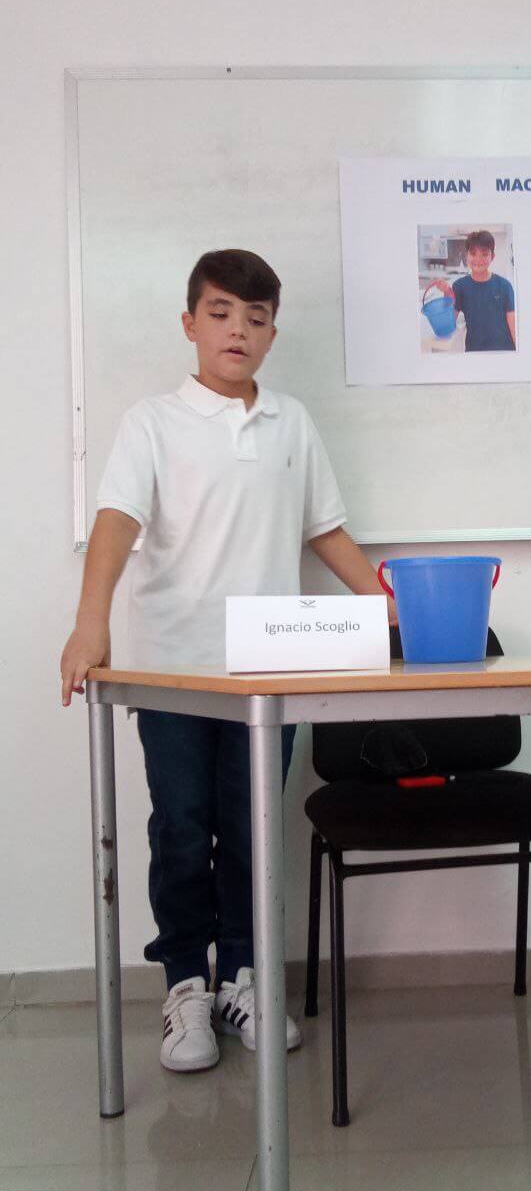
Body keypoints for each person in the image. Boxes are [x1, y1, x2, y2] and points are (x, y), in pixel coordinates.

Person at [60, 249, 395, 1073]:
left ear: (272, 334)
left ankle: (245, 977)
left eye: (255, 318)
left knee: (251, 830)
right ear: (190, 324)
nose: (237, 330)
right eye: (220, 314)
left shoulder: (291, 422)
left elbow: (324, 528)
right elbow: (116, 520)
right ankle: (185, 985)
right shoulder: (152, 422)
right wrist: (89, 622)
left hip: (271, 671)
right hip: (174, 670)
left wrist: (385, 604)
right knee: (180, 828)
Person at [430, 229, 516, 352]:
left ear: (492, 257)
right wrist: (447, 293)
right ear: (467, 256)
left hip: (504, 351)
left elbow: (513, 326)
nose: (478, 259)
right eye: (473, 253)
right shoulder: (459, 286)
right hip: (474, 352)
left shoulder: (504, 286)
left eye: (484, 254)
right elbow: (447, 326)